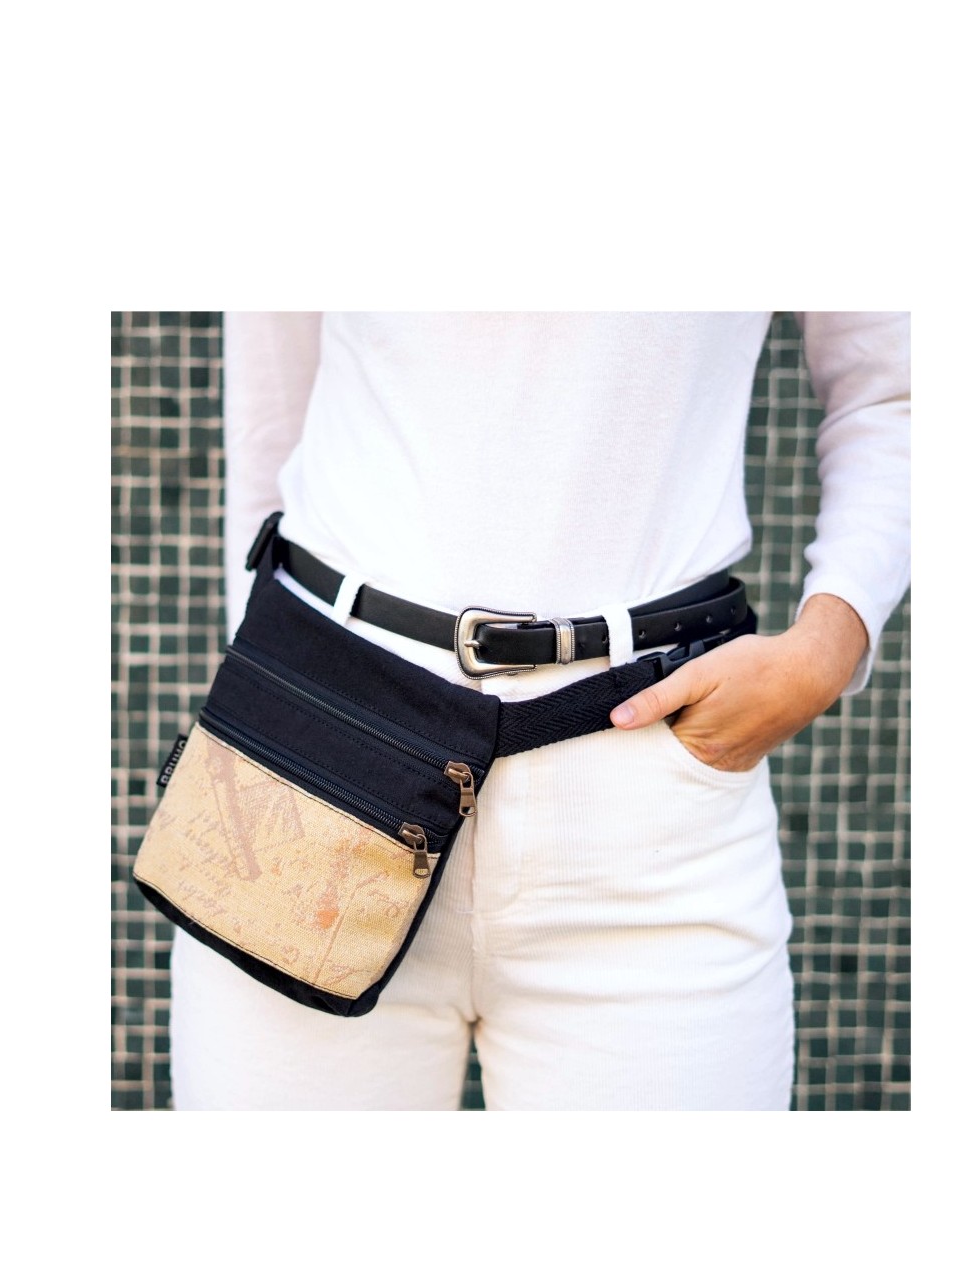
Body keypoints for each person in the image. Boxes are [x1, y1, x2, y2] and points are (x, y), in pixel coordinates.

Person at [169, 311, 910, 1111]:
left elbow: (897, 388)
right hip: (318, 771)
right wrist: (269, 705)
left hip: (648, 795)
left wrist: (827, 651)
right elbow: (272, 414)